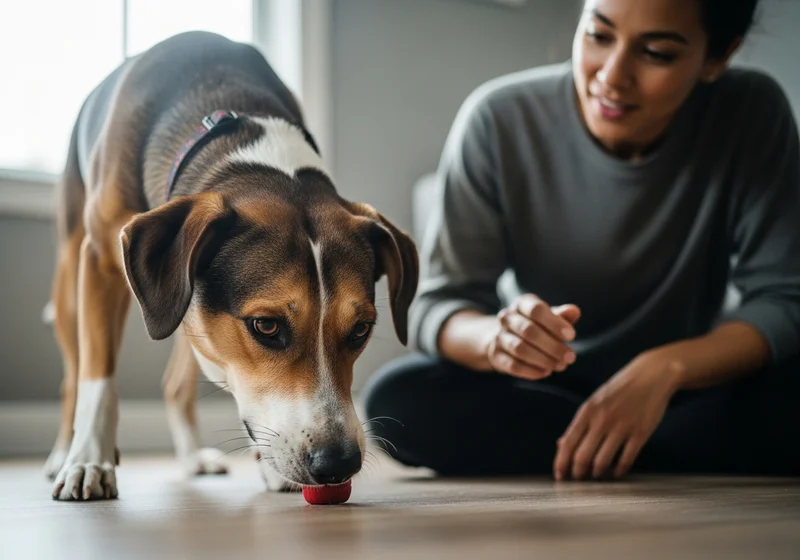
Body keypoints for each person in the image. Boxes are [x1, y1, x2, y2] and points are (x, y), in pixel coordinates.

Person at [363, 0, 800, 481]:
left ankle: (597, 445)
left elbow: (783, 300)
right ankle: (636, 444)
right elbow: (439, 306)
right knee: (398, 399)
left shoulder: (752, 112)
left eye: (656, 53)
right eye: (598, 35)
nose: (612, 76)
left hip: (686, 384)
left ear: (718, 58)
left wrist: (666, 369)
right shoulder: (497, 118)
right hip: (542, 387)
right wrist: (498, 339)